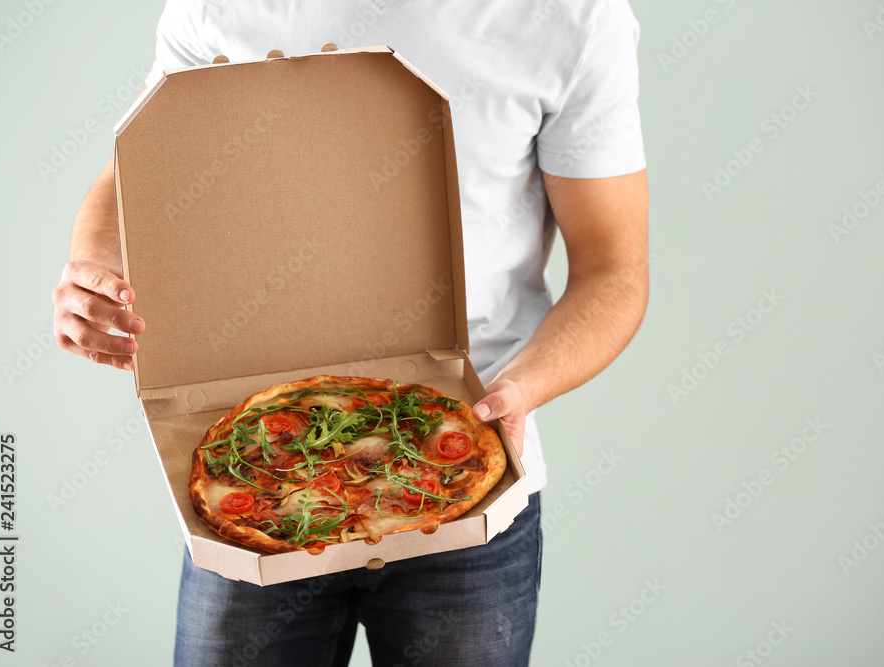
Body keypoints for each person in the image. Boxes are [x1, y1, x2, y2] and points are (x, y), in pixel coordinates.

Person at [52, 0, 648, 664]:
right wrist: (97, 267)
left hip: (464, 466)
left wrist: (516, 393)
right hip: (255, 456)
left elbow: (614, 271)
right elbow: (130, 172)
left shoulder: (572, 15)